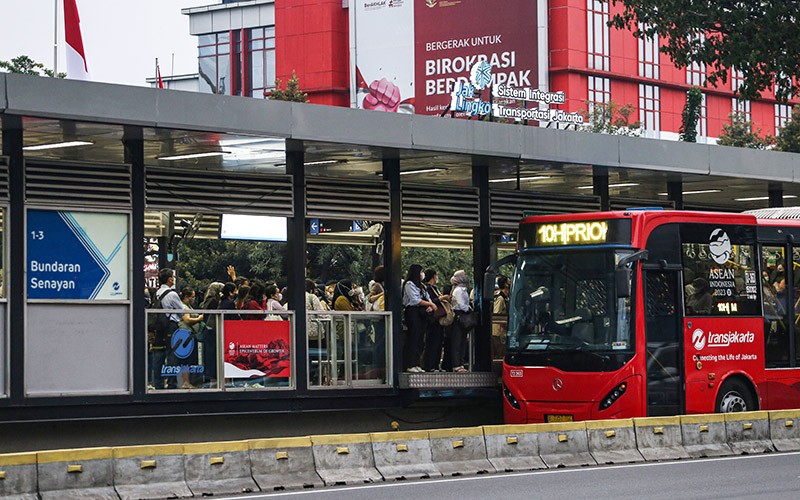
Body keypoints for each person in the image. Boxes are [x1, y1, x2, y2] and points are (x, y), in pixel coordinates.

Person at [402, 264, 437, 373]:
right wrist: (430, 304)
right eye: (421, 272)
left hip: (422, 313)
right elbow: (414, 300)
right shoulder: (409, 284)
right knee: (413, 337)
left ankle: (417, 363)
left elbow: (428, 298)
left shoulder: (422, 286)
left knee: (420, 339)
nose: (423, 274)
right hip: (412, 312)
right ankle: (410, 364)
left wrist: (430, 306)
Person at [177, 287, 206, 389]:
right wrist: (199, 318)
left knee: (190, 360)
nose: (194, 299)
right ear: (186, 297)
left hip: (191, 335)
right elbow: (187, 320)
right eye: (192, 297)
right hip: (185, 335)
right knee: (186, 359)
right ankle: (185, 381)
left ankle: (189, 381)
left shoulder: (189, 306)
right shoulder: (183, 307)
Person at [422, 269, 449, 372]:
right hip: (432, 320)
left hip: (439, 320)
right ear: (433, 276)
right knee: (432, 343)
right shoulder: (427, 288)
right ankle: (429, 365)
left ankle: (436, 365)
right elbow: (430, 301)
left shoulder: (435, 288)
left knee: (438, 343)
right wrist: (441, 299)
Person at [448, 270, 471, 373]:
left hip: (461, 315)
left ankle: (460, 363)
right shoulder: (458, 290)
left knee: (462, 341)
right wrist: (468, 308)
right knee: (457, 341)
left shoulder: (462, 289)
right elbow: (461, 304)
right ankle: (456, 364)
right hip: (459, 315)